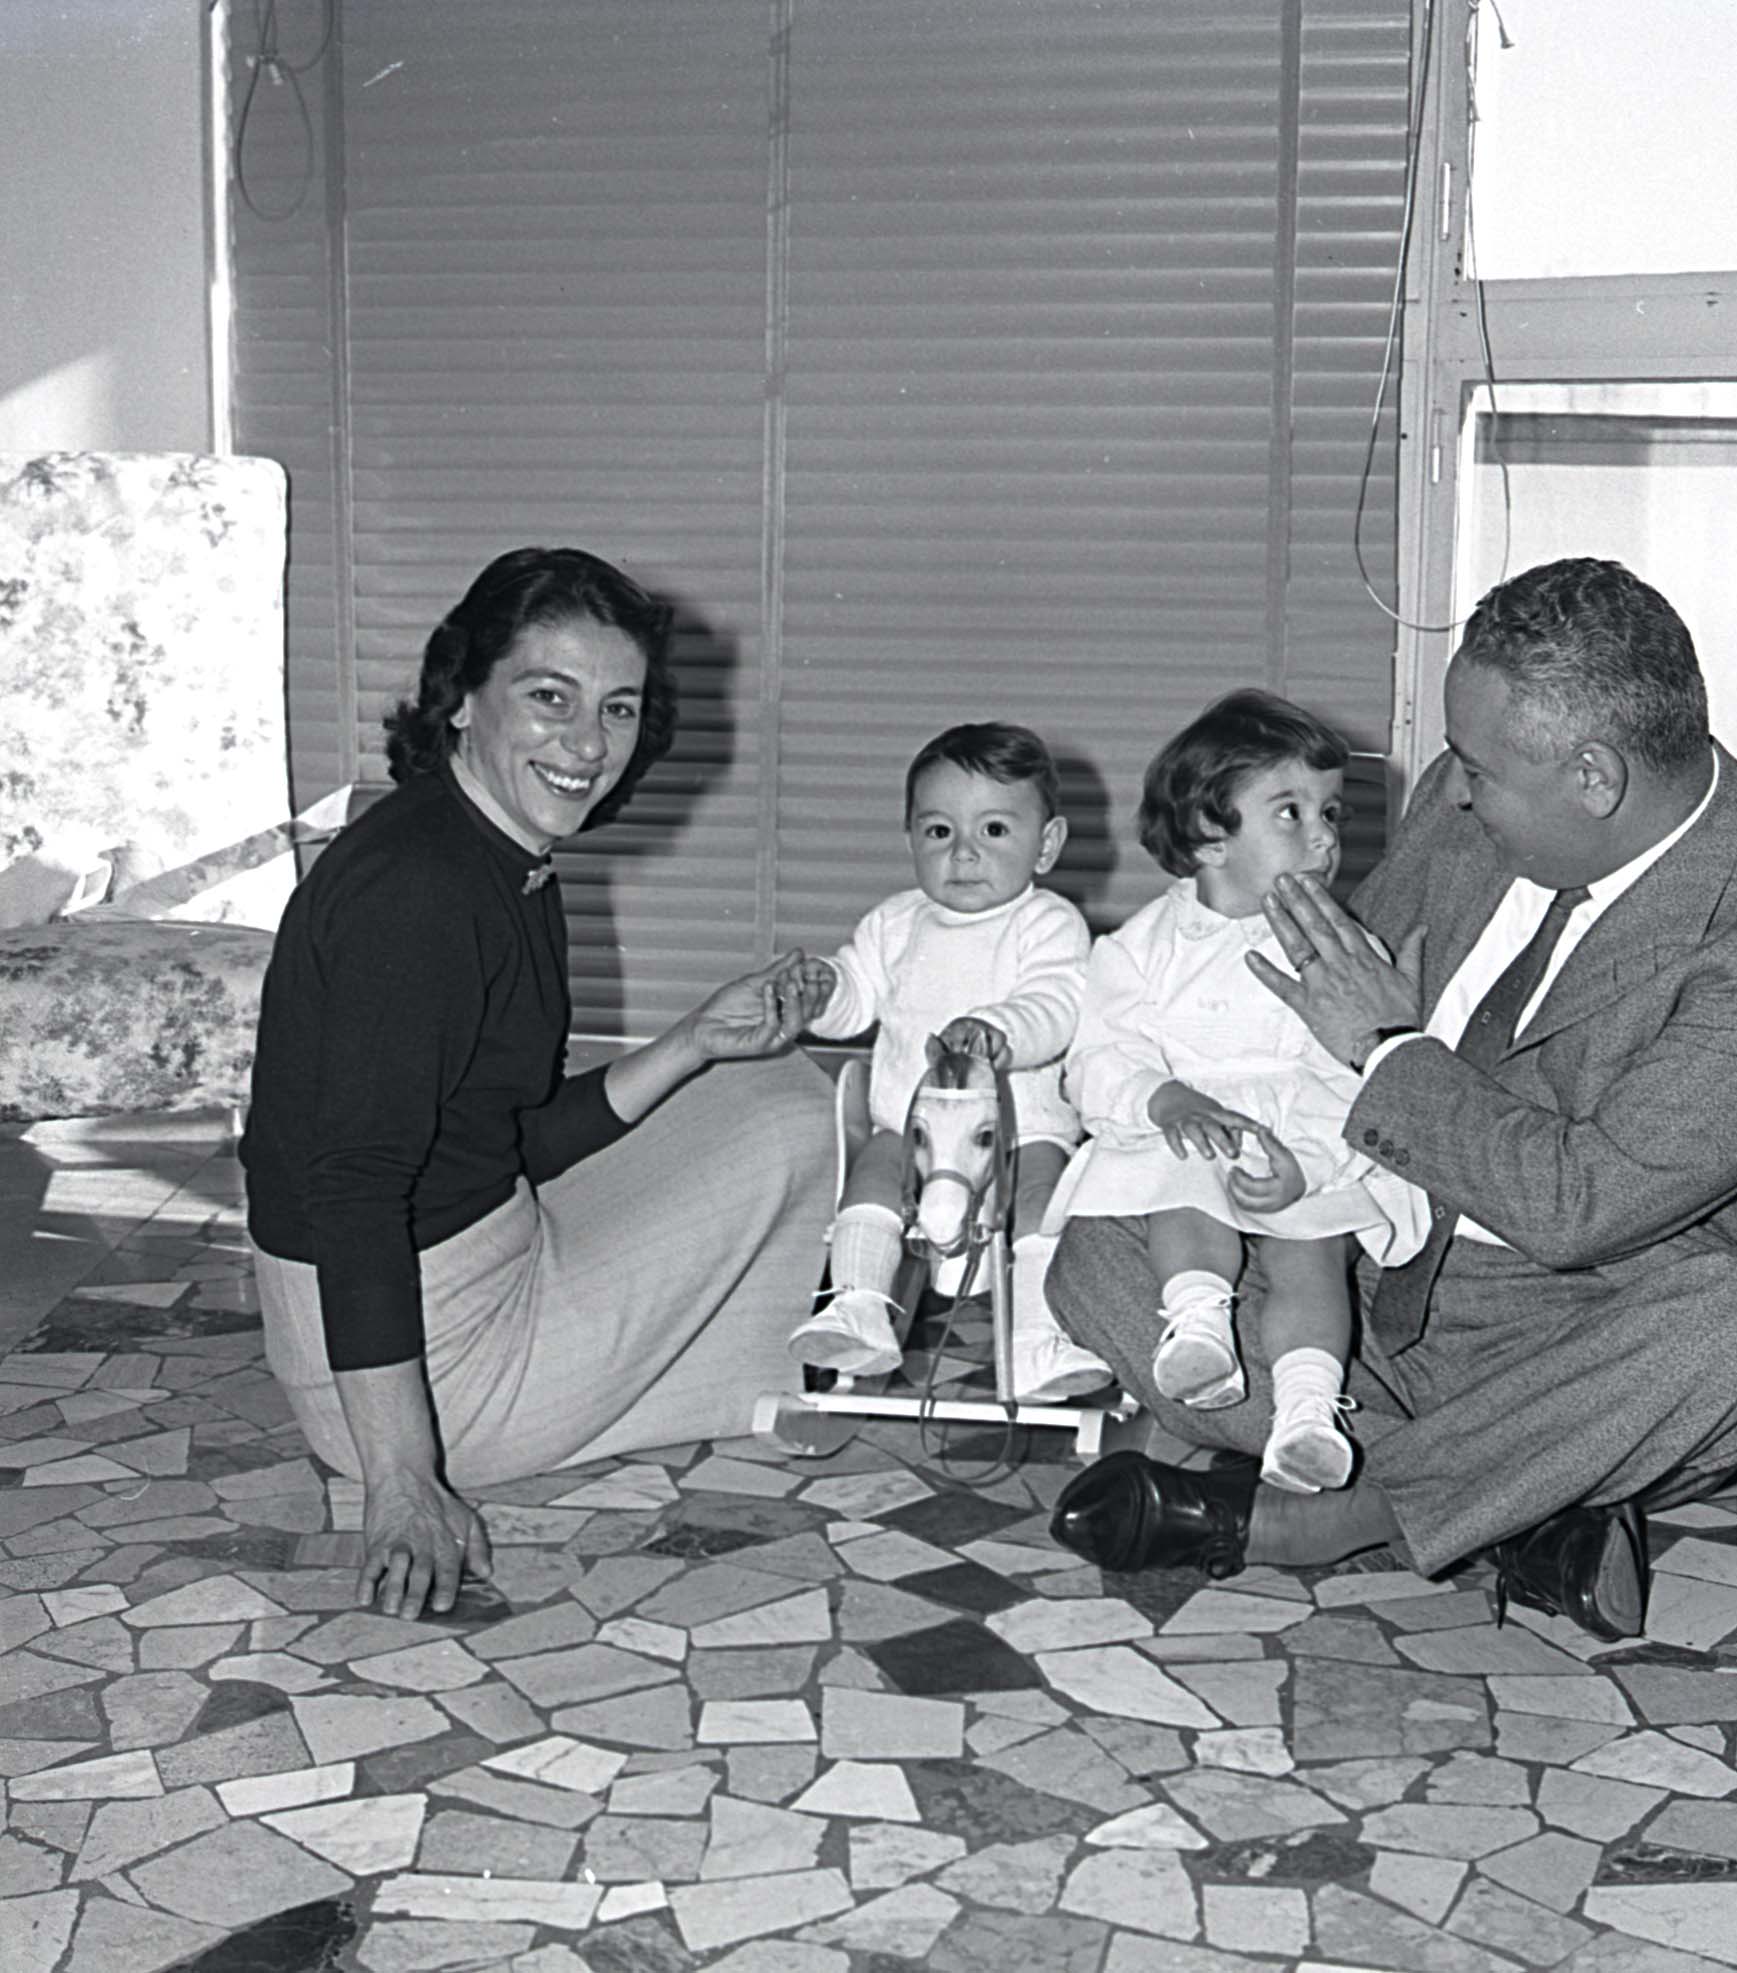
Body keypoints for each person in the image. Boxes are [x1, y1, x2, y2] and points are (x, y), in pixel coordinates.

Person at [1047, 558, 1737, 1639]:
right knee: (1098, 1242)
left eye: (1475, 771)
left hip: (1573, 1323)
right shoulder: (1478, 793)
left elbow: (1578, 1207)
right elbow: (1307, 998)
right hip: (1361, 1257)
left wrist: (1383, 1046)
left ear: (1592, 777)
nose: (1446, 792)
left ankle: (1331, 1516)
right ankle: (1524, 1498)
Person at [244, 547, 836, 1622]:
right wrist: (401, 1479)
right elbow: (356, 1191)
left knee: (756, 1086)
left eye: (618, 707)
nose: (588, 743)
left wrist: (693, 1041)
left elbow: (498, 1135)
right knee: (794, 1123)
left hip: (463, 1256)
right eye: (548, 696)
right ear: (461, 696)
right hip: (431, 1378)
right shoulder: (421, 891)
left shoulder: (484, 844)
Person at [1044, 689, 1427, 1493]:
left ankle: (1307, 1413)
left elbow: (1353, 1074)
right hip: (1190, 1126)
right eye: (1290, 812)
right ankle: (1196, 1324)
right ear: (1206, 834)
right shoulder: (1141, 947)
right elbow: (1100, 1055)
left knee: (1309, 1255)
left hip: (1298, 1137)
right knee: (1182, 1187)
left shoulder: (1344, 949)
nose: (1323, 835)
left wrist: (1307, 1165)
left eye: (1331, 812)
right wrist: (1163, 1100)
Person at [785, 722, 1110, 1403]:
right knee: (872, 1177)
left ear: (1046, 844)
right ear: (909, 838)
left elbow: (1056, 1002)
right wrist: (824, 993)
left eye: (993, 830)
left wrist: (999, 1028)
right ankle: (858, 1306)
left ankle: (1039, 1337)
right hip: (913, 1128)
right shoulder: (894, 923)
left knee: (1043, 1202)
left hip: (1022, 1131)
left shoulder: (1047, 923)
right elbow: (855, 997)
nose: (963, 852)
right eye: (938, 831)